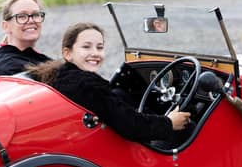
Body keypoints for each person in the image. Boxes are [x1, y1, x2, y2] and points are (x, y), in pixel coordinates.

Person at [27, 22, 192, 145]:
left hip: (75, 139)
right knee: (187, 129)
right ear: (67, 53)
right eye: (86, 47)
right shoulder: (86, 85)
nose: (95, 53)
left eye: (99, 47)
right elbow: (131, 125)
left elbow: (115, 106)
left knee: (120, 94)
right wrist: (169, 123)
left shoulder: (58, 75)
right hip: (99, 148)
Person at [0, 0, 51, 81]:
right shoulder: (6, 68)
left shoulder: (38, 59)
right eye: (22, 16)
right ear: (6, 26)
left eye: (36, 15)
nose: (31, 20)